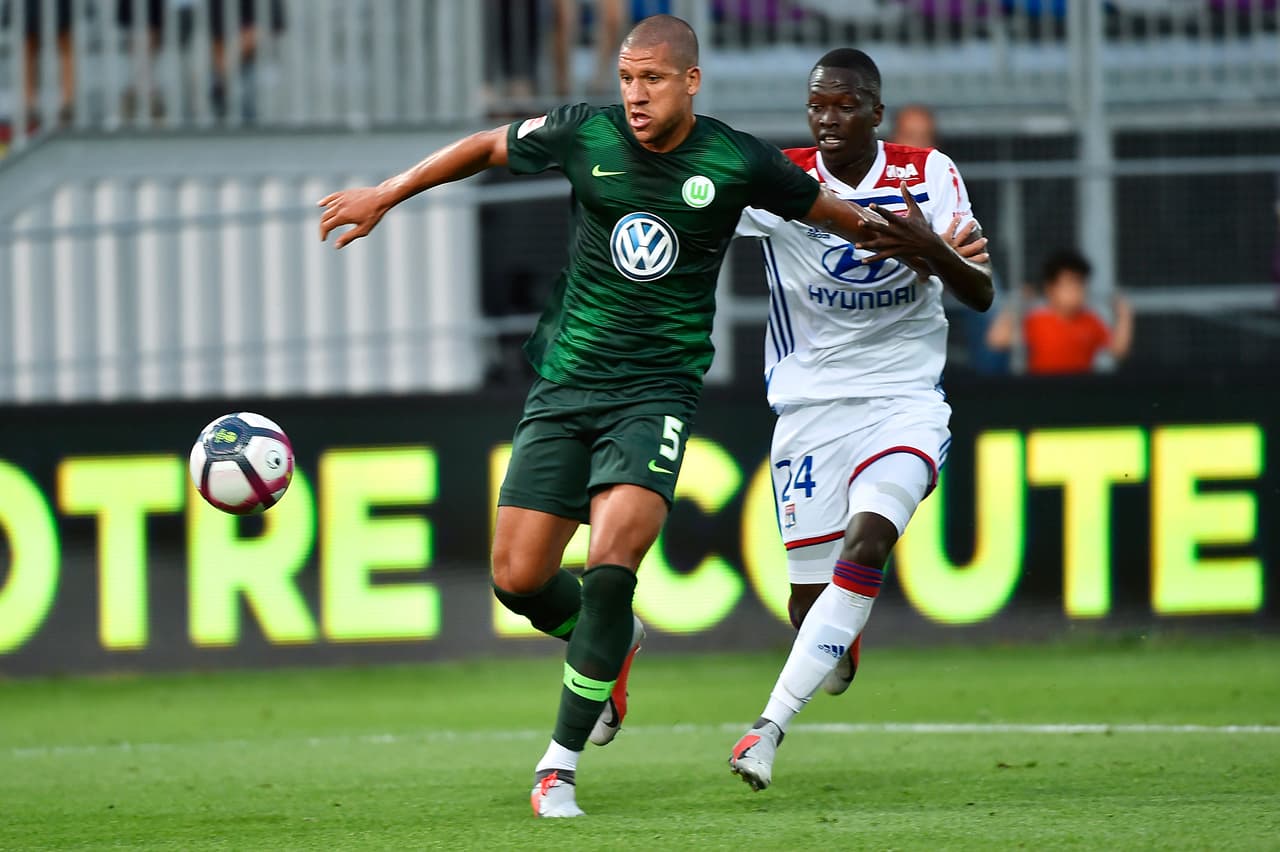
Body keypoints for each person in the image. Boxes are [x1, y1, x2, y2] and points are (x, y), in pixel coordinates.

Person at [318, 14, 895, 819]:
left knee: (613, 563)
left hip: (655, 394)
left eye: (652, 79)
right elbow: (486, 145)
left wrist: (935, 251)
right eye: (626, 78)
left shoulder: (735, 160)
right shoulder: (582, 134)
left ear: (690, 82)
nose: (634, 94)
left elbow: (841, 216)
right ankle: (617, 644)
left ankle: (557, 767)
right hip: (565, 387)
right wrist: (386, 192)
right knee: (517, 579)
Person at [727, 48, 993, 792]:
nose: (828, 118)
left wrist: (928, 247)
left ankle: (766, 729)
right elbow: (699, 211)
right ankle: (834, 641)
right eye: (817, 105)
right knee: (808, 605)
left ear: (876, 110)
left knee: (868, 540)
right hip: (809, 408)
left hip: (905, 399)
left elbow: (980, 293)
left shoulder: (927, 174)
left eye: (844, 105)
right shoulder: (782, 180)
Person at [987, 248, 1133, 374]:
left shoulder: (1090, 321)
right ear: (1050, 289)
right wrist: (1016, 304)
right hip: (1044, 393)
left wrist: (1124, 316)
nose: (1076, 292)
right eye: (1069, 285)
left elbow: (1118, 351)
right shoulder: (1038, 321)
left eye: (1080, 285)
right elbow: (997, 340)